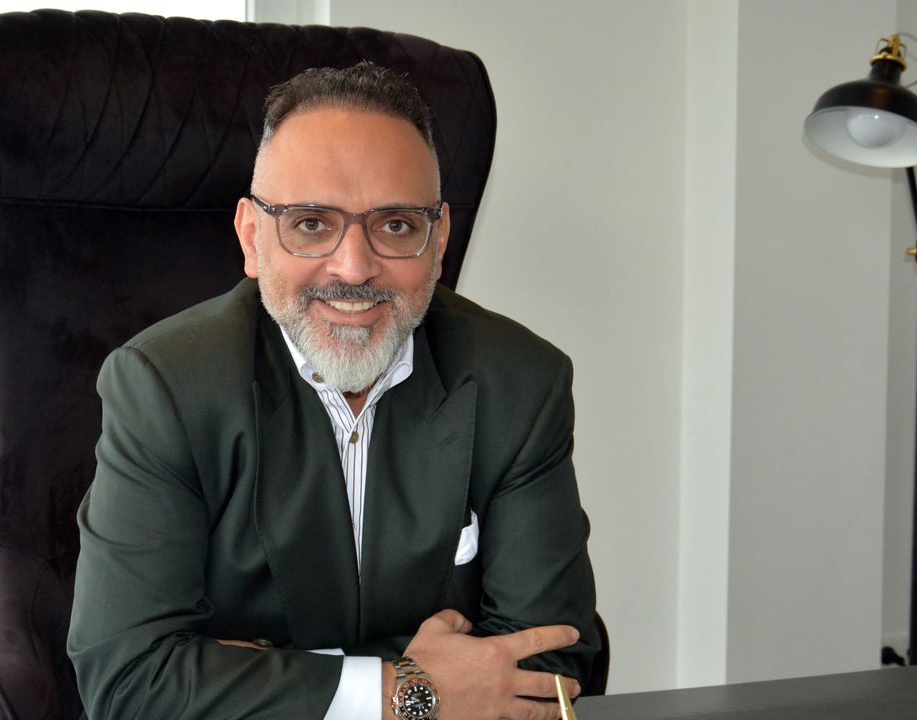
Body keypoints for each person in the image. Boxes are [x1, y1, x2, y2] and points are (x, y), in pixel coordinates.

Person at [67, 61, 599, 720]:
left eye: (396, 225)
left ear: (438, 242)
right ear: (253, 238)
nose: (354, 268)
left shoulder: (521, 384)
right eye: (312, 223)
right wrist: (408, 692)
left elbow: (551, 665)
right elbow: (130, 682)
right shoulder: (164, 387)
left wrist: (247, 672)